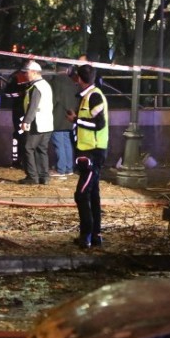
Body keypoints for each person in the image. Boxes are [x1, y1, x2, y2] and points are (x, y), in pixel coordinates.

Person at [67, 64, 109, 248]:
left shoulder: (94, 96)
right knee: (92, 194)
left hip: (93, 152)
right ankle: (95, 236)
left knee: (82, 194)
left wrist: (76, 120)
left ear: (80, 79)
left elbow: (99, 124)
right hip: (88, 151)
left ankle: (86, 236)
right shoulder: (88, 96)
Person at [18, 60, 54, 185]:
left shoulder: (36, 87)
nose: (25, 75)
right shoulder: (45, 85)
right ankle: (44, 176)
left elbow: (33, 106)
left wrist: (26, 121)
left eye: (27, 72)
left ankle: (32, 176)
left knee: (28, 148)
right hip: (47, 123)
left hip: (37, 123)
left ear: (34, 72)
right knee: (41, 149)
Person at [49, 63, 79, 178]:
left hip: (57, 117)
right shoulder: (72, 82)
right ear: (67, 70)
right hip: (69, 117)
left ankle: (60, 169)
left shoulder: (55, 82)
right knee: (67, 143)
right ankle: (69, 168)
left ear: (55, 69)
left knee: (59, 144)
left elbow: (53, 100)